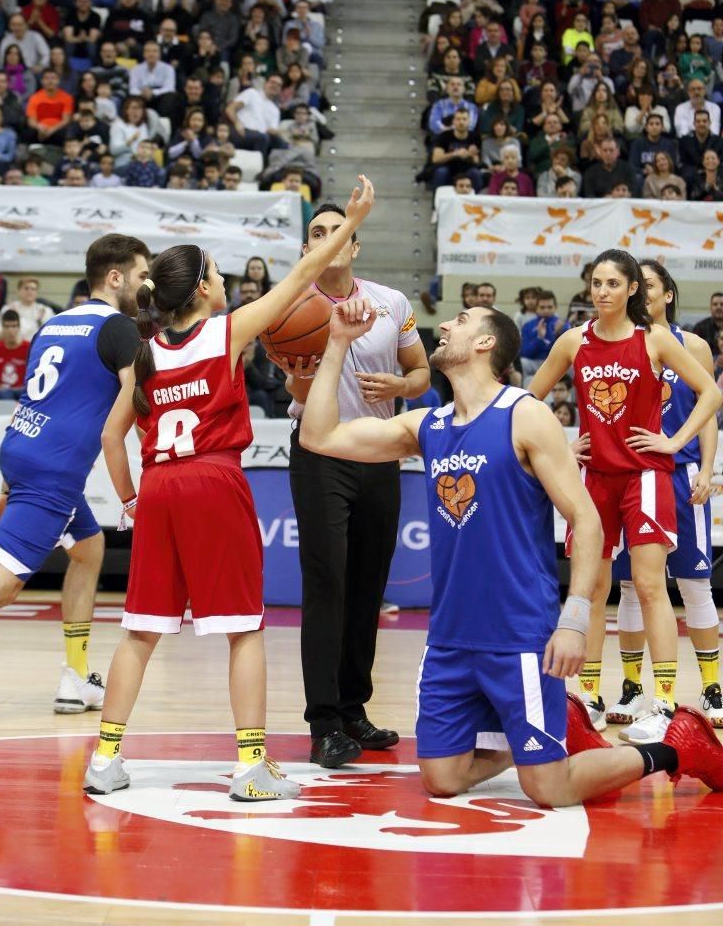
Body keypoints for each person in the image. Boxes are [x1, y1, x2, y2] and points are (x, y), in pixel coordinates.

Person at [300, 298, 723, 805]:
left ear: (484, 343)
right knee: (442, 779)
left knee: (549, 788)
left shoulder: (525, 415)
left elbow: (586, 520)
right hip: (451, 638)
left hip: (520, 633)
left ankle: (674, 748)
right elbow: (318, 435)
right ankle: (547, 730)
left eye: (460, 321)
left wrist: (574, 617)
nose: (446, 327)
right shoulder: (428, 427)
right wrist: (338, 342)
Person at [84, 176, 376, 800]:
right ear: (201, 289)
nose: (222, 281)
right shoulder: (228, 332)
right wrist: (350, 223)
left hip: (158, 487)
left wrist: (131, 500)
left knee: (140, 630)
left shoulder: (142, 353)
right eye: (215, 273)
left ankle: (105, 758)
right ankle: (250, 766)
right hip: (214, 479)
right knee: (243, 628)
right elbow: (304, 277)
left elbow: (113, 440)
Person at [0, 236, 152, 715]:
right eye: (140, 274)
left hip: (22, 451)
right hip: (53, 472)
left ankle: (74, 676)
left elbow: (34, 400)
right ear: (115, 278)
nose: (145, 283)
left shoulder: (53, 324)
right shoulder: (119, 329)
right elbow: (142, 400)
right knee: (0, 584)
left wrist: (8, 487)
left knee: (89, 551)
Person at [529, 250, 721, 734]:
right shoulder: (574, 341)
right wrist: (562, 443)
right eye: (597, 282)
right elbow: (528, 400)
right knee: (592, 589)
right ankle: (589, 695)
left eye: (614, 283)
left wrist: (676, 441)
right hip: (594, 480)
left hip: (646, 476)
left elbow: (711, 393)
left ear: (632, 289)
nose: (603, 291)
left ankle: (662, 704)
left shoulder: (653, 338)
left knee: (653, 588)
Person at [279, 202, 430, 768]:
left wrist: (400, 382)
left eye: (339, 230)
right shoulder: (291, 306)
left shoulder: (393, 303)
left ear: (356, 246)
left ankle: (353, 708)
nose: (328, 238)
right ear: (306, 248)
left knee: (368, 586)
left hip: (379, 450)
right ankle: (323, 723)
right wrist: (304, 365)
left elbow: (420, 376)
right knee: (326, 584)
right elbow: (294, 393)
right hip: (320, 453)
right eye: (317, 232)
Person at [607, 260, 723, 731]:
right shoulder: (617, 341)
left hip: (678, 472)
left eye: (648, 286)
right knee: (631, 586)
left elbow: (708, 410)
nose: (642, 293)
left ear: (666, 294)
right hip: (632, 476)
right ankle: (633, 688)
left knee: (694, 584)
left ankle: (712, 688)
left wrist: (707, 468)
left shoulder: (689, 343)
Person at [0, 309, 29, 400]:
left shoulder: (28, 347)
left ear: (19, 327)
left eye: (14, 326)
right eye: (7, 326)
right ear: (2, 328)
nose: (10, 330)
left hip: (21, 389)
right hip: (1, 390)